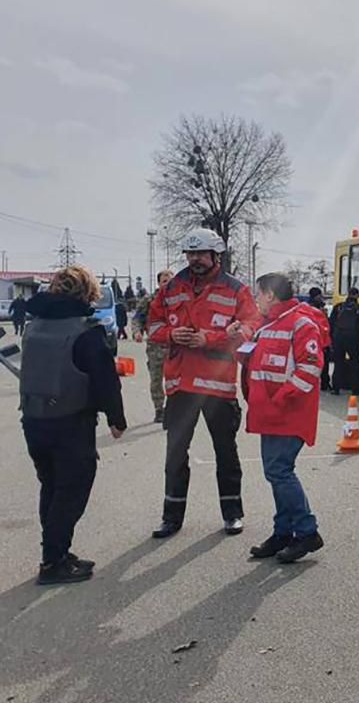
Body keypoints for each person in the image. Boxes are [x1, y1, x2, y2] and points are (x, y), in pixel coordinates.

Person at [146, 229, 261, 539]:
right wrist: (170, 335)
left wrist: (210, 338)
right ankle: (171, 517)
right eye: (190, 254)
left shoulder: (237, 290)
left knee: (226, 453)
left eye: (201, 254)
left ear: (216, 256)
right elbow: (153, 324)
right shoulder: (171, 289)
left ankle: (232, 514)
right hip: (181, 385)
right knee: (175, 455)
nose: (194, 260)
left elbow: (251, 327)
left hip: (218, 386)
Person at [19, 266, 126, 585]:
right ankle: (53, 562)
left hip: (34, 419)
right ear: (87, 291)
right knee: (72, 490)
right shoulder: (85, 328)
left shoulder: (34, 324)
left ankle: (57, 552)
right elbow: (105, 378)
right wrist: (116, 418)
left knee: (51, 486)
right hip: (71, 421)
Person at [242, 273, 325, 563]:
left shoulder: (301, 323)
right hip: (270, 414)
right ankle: (283, 532)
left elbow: (310, 368)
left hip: (288, 414)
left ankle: (306, 531)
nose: (255, 300)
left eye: (257, 294)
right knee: (275, 473)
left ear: (269, 295)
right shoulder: (268, 325)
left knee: (280, 472)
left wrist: (281, 398)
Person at [134, 269, 174, 423]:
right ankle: (159, 409)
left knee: (175, 380)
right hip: (155, 346)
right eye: (165, 281)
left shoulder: (181, 299)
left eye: (170, 282)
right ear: (159, 283)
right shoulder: (149, 300)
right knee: (156, 380)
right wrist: (137, 332)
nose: (168, 285)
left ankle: (174, 407)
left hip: (175, 346)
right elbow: (137, 318)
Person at [305, 287, 332, 392]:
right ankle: (324, 383)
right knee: (322, 364)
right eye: (320, 296)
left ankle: (323, 383)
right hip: (321, 343)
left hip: (316, 342)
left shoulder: (308, 308)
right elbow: (324, 327)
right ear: (316, 296)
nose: (322, 298)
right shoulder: (316, 311)